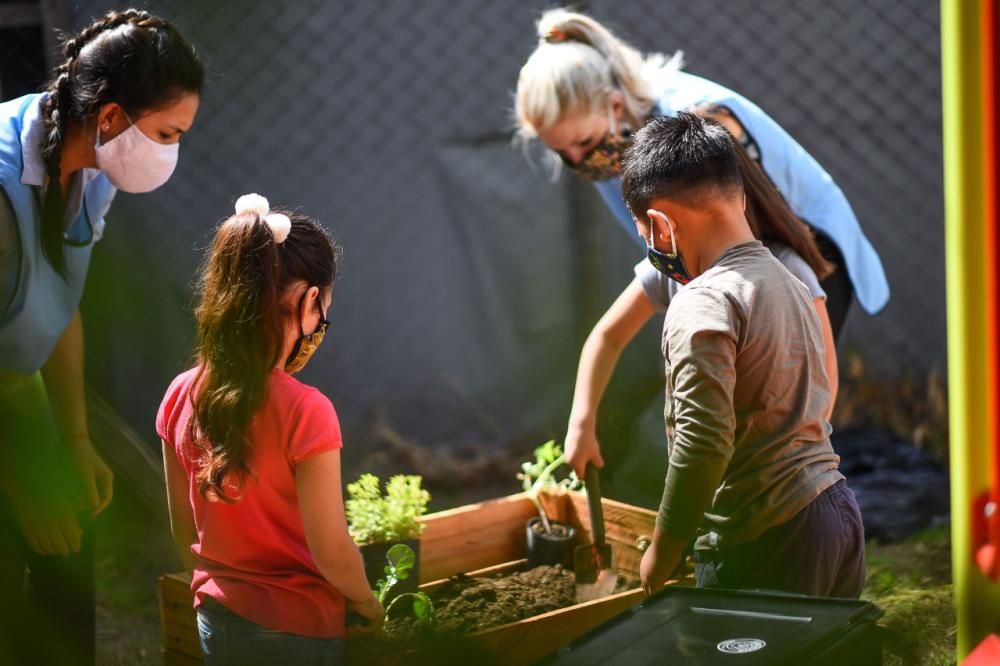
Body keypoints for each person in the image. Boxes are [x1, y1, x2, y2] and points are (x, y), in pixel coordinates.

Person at [514, 7, 886, 497]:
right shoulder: (618, 158)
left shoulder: (703, 121)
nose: (581, 162)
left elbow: (757, 221)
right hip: (725, 272)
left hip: (801, 244)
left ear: (614, 104)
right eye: (564, 154)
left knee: (774, 397)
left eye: (583, 144)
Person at [0, 9, 203, 664]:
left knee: (70, 543)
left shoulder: (90, 169)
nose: (172, 152)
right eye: (167, 133)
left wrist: (76, 439)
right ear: (112, 117)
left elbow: (62, 304)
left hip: (16, 385)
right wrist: (26, 480)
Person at [622, 112, 864, 598]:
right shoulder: (791, 283)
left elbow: (702, 442)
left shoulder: (702, 301)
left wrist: (662, 553)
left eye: (645, 235)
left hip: (764, 537)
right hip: (834, 510)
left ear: (661, 225)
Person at [158, 195, 385, 666]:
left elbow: (185, 533)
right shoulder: (308, 410)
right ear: (309, 301)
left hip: (216, 620)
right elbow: (330, 548)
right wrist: (365, 601)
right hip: (300, 630)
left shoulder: (181, 392)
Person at [564, 139, 839, 479]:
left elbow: (825, 382)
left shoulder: (786, 271)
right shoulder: (669, 266)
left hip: (767, 472)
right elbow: (607, 337)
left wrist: (782, 457)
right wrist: (581, 422)